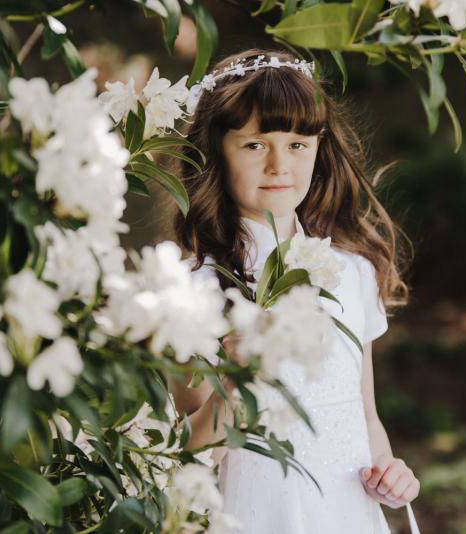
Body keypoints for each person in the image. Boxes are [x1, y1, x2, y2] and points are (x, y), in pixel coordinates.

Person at [165, 48, 419, 534]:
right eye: (256, 145)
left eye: (298, 144)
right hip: (254, 513)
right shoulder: (193, 289)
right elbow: (188, 454)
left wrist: (388, 472)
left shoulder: (352, 272)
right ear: (217, 150)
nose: (280, 165)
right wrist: (238, 380)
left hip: (346, 513)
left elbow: (363, 416)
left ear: (319, 148)